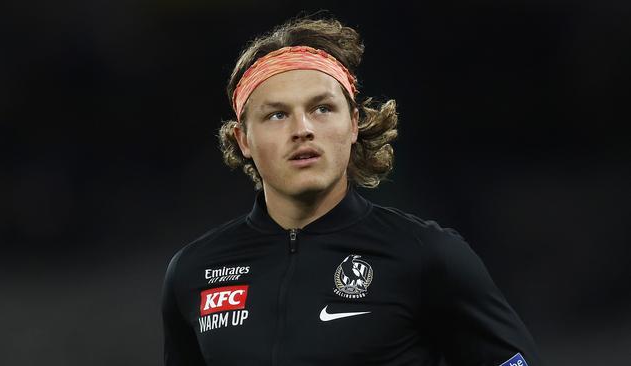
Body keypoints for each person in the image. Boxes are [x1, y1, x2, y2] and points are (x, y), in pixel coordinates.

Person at [162, 15, 543, 366]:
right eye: (277, 115)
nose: (302, 129)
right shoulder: (194, 271)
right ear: (242, 139)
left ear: (355, 122)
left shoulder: (427, 256)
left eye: (322, 108)